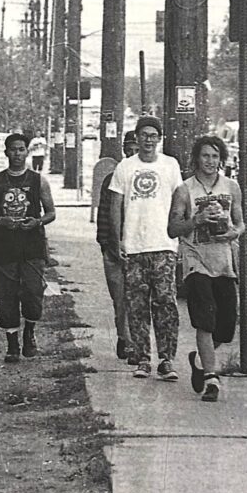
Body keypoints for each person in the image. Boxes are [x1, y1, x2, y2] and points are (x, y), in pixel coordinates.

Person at [167, 135, 245, 401]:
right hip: (195, 261)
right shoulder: (185, 190)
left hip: (223, 262)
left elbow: (240, 224)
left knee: (225, 328)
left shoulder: (232, 187)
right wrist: (197, 220)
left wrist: (233, 234)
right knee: (205, 319)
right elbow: (173, 229)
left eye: (215, 156)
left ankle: (201, 362)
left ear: (221, 159)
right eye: (205, 156)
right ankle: (212, 379)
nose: (210, 162)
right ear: (196, 158)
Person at [106, 115, 183, 381]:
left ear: (159, 139)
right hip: (134, 247)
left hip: (163, 246)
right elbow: (115, 205)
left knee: (165, 303)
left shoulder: (170, 165)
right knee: (136, 306)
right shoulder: (125, 168)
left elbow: (179, 201)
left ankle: (166, 359)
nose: (148, 140)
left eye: (153, 135)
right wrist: (117, 240)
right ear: (136, 138)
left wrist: (179, 236)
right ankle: (142, 358)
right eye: (144, 135)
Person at [0, 133, 57, 363]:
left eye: (21, 149)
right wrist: (1, 221)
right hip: (4, 245)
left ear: (27, 152)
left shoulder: (38, 180)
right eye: (13, 149)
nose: (17, 154)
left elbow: (51, 212)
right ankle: (12, 344)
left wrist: (37, 221)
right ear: (6, 152)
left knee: (33, 294)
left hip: (32, 244)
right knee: (6, 297)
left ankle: (29, 332)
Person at [96, 130, 138, 362]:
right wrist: (110, 246)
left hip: (140, 248)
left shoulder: (148, 179)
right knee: (120, 297)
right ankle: (125, 337)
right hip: (114, 249)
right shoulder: (111, 179)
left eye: (136, 150)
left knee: (138, 298)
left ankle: (133, 343)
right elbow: (104, 217)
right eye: (129, 150)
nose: (132, 155)